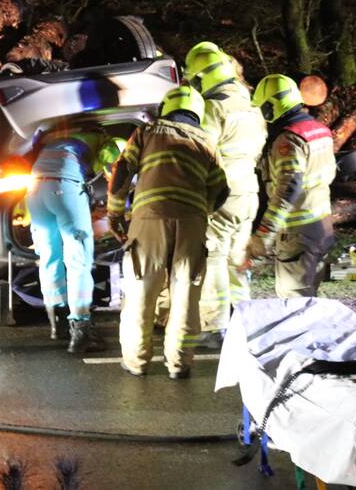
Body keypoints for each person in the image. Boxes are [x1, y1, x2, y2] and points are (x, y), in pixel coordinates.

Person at [108, 86, 227, 379]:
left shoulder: (149, 131)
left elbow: (122, 170)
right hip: (192, 226)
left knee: (141, 293)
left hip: (150, 221)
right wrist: (201, 210)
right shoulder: (208, 143)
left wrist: (115, 213)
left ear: (167, 108)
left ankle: (136, 362)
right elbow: (222, 189)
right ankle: (179, 365)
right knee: (186, 298)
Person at [183, 42, 266, 348]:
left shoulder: (212, 107)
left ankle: (215, 327)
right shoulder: (250, 104)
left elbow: (202, 152)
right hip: (249, 191)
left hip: (221, 192)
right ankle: (243, 326)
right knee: (237, 260)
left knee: (214, 258)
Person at [28, 129, 124, 352]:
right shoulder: (107, 140)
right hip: (65, 185)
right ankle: (81, 330)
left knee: (49, 256)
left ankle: (58, 323)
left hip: (35, 189)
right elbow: (111, 165)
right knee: (78, 258)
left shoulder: (60, 137)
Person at [246, 74, 336, 297]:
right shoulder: (319, 130)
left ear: (270, 107)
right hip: (322, 224)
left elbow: (288, 190)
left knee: (295, 299)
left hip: (298, 232)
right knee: (310, 295)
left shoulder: (288, 140)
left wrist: (265, 234)